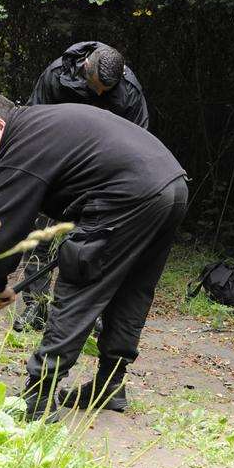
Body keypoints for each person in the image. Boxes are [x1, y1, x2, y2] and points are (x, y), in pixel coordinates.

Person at [0, 93, 188, 421]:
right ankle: (110, 384)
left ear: (0, 125)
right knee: (131, 288)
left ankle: (38, 396)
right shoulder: (42, 125)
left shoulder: (21, 142)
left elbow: (3, 228)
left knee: (81, 278)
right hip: (172, 185)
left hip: (132, 191)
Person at [16, 42, 150, 332]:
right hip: (58, 168)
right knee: (41, 237)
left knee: (96, 245)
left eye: (108, 90)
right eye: (97, 87)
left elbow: (140, 143)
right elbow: (32, 122)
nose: (101, 94)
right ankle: (35, 307)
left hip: (103, 178)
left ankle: (90, 313)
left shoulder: (129, 91)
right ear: (85, 67)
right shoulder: (56, 76)